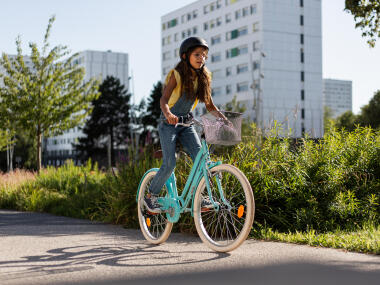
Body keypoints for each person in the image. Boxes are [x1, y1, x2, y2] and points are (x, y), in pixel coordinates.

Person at [144, 37, 228, 213]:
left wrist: (223, 119)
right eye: (197, 54)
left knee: (200, 160)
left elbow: (210, 106)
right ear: (185, 56)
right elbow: (164, 99)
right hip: (169, 124)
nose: (201, 58)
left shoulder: (204, 77)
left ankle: (201, 198)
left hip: (187, 123)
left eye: (204, 56)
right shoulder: (178, 75)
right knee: (170, 163)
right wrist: (168, 114)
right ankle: (151, 196)